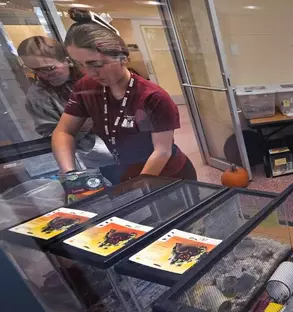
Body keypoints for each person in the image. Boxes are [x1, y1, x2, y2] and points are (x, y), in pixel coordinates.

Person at [52, 8, 196, 185]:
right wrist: (71, 175)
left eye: (96, 64)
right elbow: (64, 131)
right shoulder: (86, 87)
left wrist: (136, 187)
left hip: (168, 173)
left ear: (123, 58)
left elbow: (162, 152)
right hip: (127, 170)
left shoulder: (153, 97)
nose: (89, 72)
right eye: (79, 65)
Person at [18, 36, 115, 170]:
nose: (43, 75)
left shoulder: (95, 74)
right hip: (99, 159)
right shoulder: (38, 96)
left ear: (67, 60)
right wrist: (81, 124)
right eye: (34, 70)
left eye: (50, 68)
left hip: (132, 144)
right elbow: (54, 140)